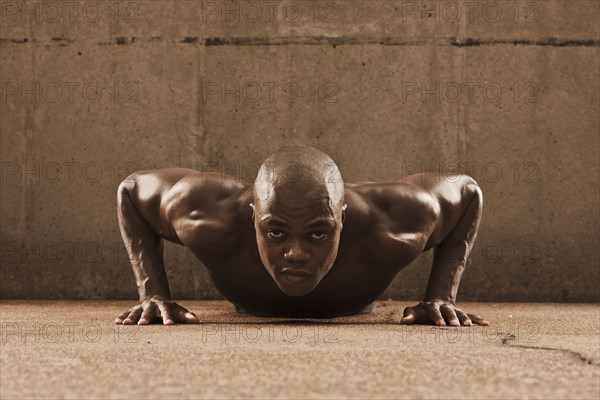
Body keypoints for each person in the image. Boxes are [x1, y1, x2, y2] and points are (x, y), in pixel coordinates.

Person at [114, 144, 489, 326]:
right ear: (252, 217)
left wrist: (441, 294)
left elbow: (467, 192)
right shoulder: (208, 217)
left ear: (342, 219)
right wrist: (154, 292)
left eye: (318, 233)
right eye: (275, 231)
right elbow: (131, 190)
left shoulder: (392, 226)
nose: (295, 254)